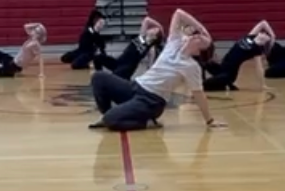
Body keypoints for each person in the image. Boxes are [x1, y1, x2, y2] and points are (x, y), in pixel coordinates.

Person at [89, 8, 228, 132]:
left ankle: (145, 121)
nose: (197, 36)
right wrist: (203, 29)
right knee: (98, 78)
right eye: (199, 34)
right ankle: (109, 115)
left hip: (151, 101)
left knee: (111, 120)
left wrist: (210, 120)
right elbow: (178, 13)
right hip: (135, 87)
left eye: (201, 40)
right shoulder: (175, 41)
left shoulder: (192, 67)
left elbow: (199, 95)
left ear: (199, 52)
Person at [203, 20, 274, 91]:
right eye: (263, 32)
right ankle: (220, 83)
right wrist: (273, 35)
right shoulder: (250, 36)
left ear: (267, 41)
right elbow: (263, 23)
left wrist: (262, 85)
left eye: (267, 35)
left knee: (206, 84)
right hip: (221, 67)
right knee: (206, 63)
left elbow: (259, 68)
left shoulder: (257, 49)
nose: (263, 34)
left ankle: (224, 83)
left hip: (229, 75)